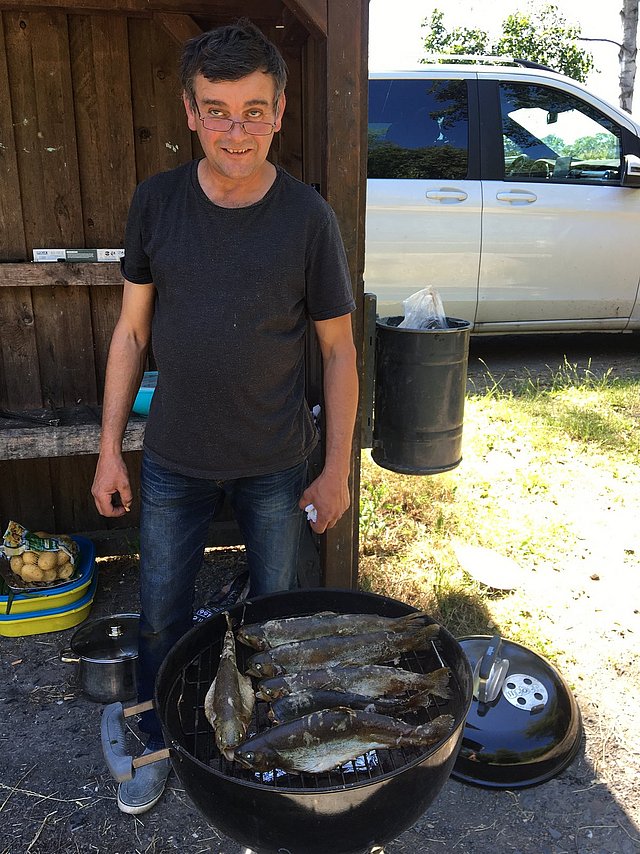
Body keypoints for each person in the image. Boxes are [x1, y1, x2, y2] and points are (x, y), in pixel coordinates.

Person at [91, 18, 358, 815]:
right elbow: (132, 330)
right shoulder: (156, 203)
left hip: (278, 458)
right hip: (173, 455)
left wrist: (336, 465)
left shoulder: (309, 218)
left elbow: (341, 355)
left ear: (280, 113)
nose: (233, 130)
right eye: (216, 109)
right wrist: (110, 449)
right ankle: (154, 735)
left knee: (276, 612)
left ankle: (269, 747)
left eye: (251, 111)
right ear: (188, 111)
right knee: (161, 614)